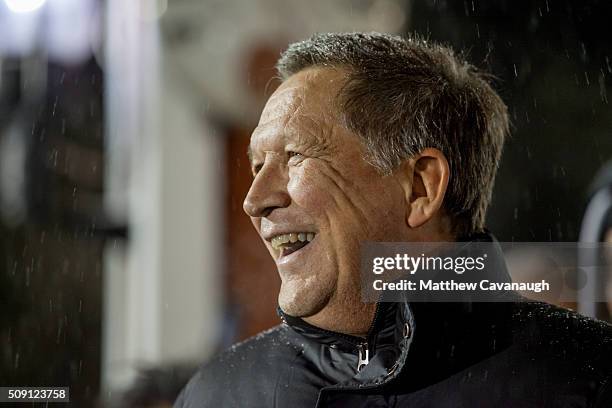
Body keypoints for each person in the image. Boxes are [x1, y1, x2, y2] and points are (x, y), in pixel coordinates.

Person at [175, 32, 612, 407]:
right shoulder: (217, 394)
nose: (255, 200)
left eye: (295, 156)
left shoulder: (588, 380)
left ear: (421, 187)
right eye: (256, 167)